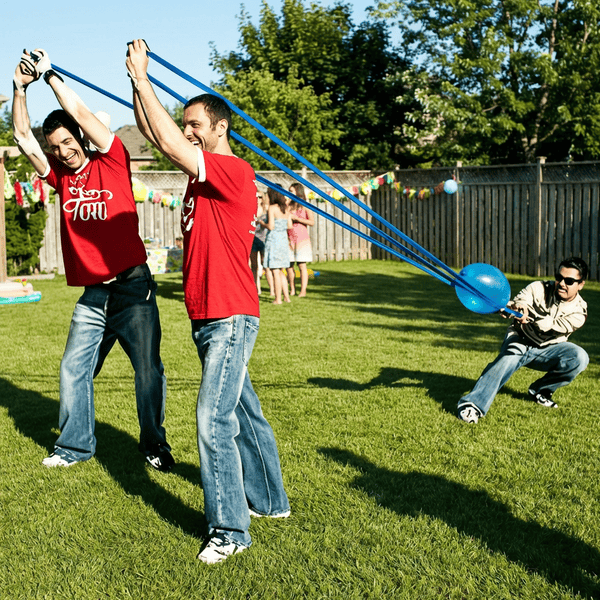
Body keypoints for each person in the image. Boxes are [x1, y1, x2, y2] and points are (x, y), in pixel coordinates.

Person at [126, 39, 290, 564]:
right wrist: (135, 80)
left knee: (212, 419)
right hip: (206, 315)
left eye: (196, 123)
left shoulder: (233, 172)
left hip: (231, 316)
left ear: (219, 127)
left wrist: (147, 79)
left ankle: (230, 530)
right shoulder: (198, 182)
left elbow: (174, 145)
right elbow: (159, 135)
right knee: (244, 409)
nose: (189, 129)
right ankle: (271, 501)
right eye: (187, 122)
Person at [12, 49, 173, 470]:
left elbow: (80, 112)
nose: (62, 151)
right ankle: (74, 446)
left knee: (147, 371)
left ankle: (154, 444)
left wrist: (50, 77)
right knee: (73, 368)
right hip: (94, 295)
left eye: (67, 142)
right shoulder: (61, 175)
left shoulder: (113, 159)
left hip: (133, 286)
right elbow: (23, 138)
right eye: (56, 146)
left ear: (80, 139)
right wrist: (19, 89)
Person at [457, 257, 589, 424]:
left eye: (569, 281)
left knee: (580, 357)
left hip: (546, 350)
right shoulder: (538, 287)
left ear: (581, 284)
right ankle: (472, 405)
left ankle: (540, 391)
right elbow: (522, 300)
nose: (562, 283)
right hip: (520, 339)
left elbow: (550, 326)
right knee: (508, 358)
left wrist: (530, 316)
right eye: (559, 277)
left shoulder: (579, 312)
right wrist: (518, 308)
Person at [263, 188, 293, 304]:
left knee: (275, 270)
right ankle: (287, 297)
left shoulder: (272, 208)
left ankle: (278, 299)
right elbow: (289, 226)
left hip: (274, 240)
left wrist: (262, 224)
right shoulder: (286, 208)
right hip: (283, 240)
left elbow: (271, 226)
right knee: (281, 270)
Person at [286, 183, 314, 297]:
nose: (289, 192)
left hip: (302, 239)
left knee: (302, 265)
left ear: (298, 192)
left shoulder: (305, 206)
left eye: (291, 191)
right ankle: (292, 289)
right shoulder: (288, 206)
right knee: (289, 266)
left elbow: (312, 222)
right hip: (289, 238)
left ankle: (303, 291)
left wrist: (297, 218)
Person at [250, 192, 268, 295]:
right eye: (256, 196)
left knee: (265, 264)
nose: (258, 198)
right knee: (254, 266)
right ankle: (256, 288)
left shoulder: (266, 209)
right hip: (253, 238)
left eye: (260, 196)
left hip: (264, 239)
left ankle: (273, 289)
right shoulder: (252, 207)